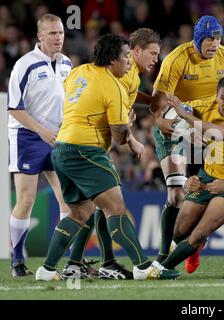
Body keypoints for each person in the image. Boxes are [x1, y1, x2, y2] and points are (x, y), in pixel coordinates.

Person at [35, 34, 179, 281]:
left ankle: (47, 270)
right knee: (116, 208)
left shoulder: (79, 72)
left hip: (62, 149)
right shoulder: (113, 86)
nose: (128, 63)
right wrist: (128, 129)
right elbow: (119, 136)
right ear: (112, 59)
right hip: (86, 151)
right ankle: (143, 266)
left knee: (80, 213)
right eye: (125, 58)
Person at [151, 16, 224, 274]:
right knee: (175, 195)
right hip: (178, 125)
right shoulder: (176, 59)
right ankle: (165, 255)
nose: (215, 44)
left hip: (208, 131)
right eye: (209, 39)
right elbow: (159, 104)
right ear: (197, 38)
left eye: (218, 38)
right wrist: (170, 124)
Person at [61, 28, 162, 280]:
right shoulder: (122, 76)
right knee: (103, 206)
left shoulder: (132, 77)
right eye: (152, 53)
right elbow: (117, 115)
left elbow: (125, 100)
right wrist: (132, 139)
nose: (155, 59)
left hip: (89, 147)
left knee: (96, 206)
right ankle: (79, 262)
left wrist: (147, 100)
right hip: (89, 148)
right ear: (135, 51)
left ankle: (93, 262)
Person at [156, 76, 224, 277]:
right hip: (207, 175)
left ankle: (161, 268)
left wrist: (187, 117)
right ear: (216, 96)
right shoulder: (206, 105)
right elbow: (172, 111)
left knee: (199, 232)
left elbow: (217, 133)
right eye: (223, 98)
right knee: (180, 230)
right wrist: (163, 120)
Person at [7, 14, 72, 278]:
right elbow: (14, 108)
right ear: (40, 37)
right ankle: (17, 261)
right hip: (27, 137)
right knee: (26, 199)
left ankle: (66, 261)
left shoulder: (68, 64)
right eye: (53, 33)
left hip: (57, 138)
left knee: (68, 200)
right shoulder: (25, 65)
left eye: (61, 33)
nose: (58, 38)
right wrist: (41, 131)